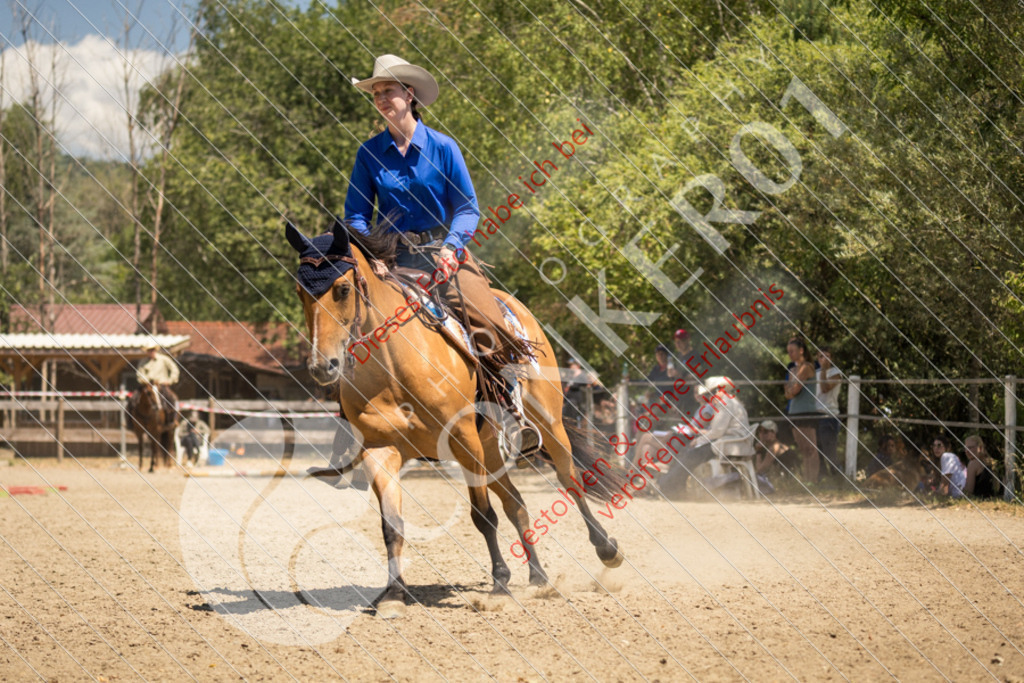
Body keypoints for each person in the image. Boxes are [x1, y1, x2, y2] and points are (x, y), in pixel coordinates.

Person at [344, 54, 539, 455]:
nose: (381, 99)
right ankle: (356, 425)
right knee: (349, 325)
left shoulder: (444, 147)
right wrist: (371, 252)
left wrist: (452, 247)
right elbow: (357, 214)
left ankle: (512, 407)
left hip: (443, 255)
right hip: (391, 260)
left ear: (409, 94)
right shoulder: (369, 154)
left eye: (389, 91)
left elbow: (468, 207)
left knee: (487, 319)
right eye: (376, 93)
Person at [656, 376, 752, 499]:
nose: (709, 397)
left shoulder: (725, 404)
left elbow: (717, 431)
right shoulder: (730, 401)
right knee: (689, 454)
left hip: (728, 444)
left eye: (711, 393)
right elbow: (717, 431)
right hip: (731, 442)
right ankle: (671, 487)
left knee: (690, 455)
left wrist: (698, 440)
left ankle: (667, 486)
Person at [784, 337, 822, 483]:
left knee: (811, 449)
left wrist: (791, 389)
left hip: (807, 411)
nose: (790, 354)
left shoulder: (806, 367)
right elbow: (787, 393)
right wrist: (791, 389)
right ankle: (807, 481)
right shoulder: (793, 369)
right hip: (794, 412)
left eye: (792, 351)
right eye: (788, 352)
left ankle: (813, 481)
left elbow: (794, 389)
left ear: (801, 350)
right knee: (803, 449)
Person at [136, 343, 179, 425]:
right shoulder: (143, 362)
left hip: (161, 385)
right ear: (147, 351)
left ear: (155, 350)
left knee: (172, 398)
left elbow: (175, 370)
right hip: (147, 386)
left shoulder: (164, 359)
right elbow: (139, 374)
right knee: (134, 399)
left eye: (152, 349)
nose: (151, 352)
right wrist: (144, 381)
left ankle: (172, 420)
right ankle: (131, 423)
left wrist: (170, 380)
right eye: (149, 350)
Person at [815, 346, 842, 475]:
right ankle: (823, 480)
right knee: (817, 450)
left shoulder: (836, 373)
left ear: (831, 358)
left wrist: (824, 370)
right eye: (821, 356)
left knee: (829, 450)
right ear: (817, 358)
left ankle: (839, 478)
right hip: (815, 415)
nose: (824, 359)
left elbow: (825, 388)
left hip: (829, 415)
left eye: (827, 356)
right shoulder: (815, 373)